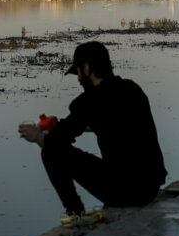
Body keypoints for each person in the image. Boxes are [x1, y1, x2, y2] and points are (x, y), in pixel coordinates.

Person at [18, 41, 167, 223]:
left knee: (50, 151)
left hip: (124, 193)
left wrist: (37, 136)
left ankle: (75, 214)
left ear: (87, 69)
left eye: (78, 73)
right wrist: (60, 128)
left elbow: (54, 142)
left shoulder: (89, 101)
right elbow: (114, 122)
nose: (79, 79)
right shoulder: (132, 89)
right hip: (149, 189)